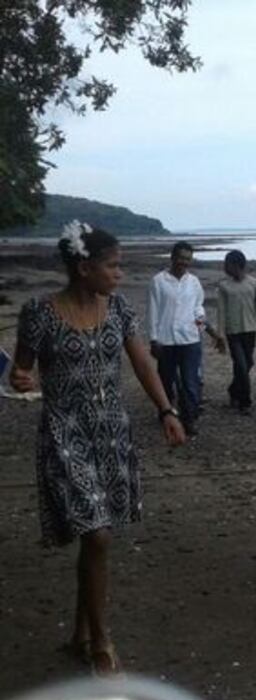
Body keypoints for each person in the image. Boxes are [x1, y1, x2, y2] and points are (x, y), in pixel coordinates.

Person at [11, 223, 187, 676]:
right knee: (98, 534)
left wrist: (167, 410)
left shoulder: (120, 309)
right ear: (84, 268)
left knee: (97, 536)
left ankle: (79, 634)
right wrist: (21, 378)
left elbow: (142, 362)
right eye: (113, 265)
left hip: (112, 433)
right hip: (64, 434)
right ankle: (102, 643)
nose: (120, 273)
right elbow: (21, 370)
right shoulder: (39, 312)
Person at [147, 240, 213, 437]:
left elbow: (198, 307)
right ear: (172, 257)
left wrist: (202, 326)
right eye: (181, 258)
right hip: (166, 341)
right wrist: (153, 339)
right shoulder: (158, 281)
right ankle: (167, 413)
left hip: (189, 340)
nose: (184, 263)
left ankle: (189, 419)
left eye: (188, 259)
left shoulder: (193, 282)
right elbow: (153, 310)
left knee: (190, 383)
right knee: (166, 382)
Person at [214, 250, 256, 415]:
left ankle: (233, 390)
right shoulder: (224, 286)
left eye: (227, 264)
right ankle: (245, 401)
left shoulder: (255, 283)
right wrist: (220, 334)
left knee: (248, 363)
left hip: (250, 330)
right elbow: (221, 311)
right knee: (241, 364)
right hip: (233, 332)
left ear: (237, 265)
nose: (224, 267)